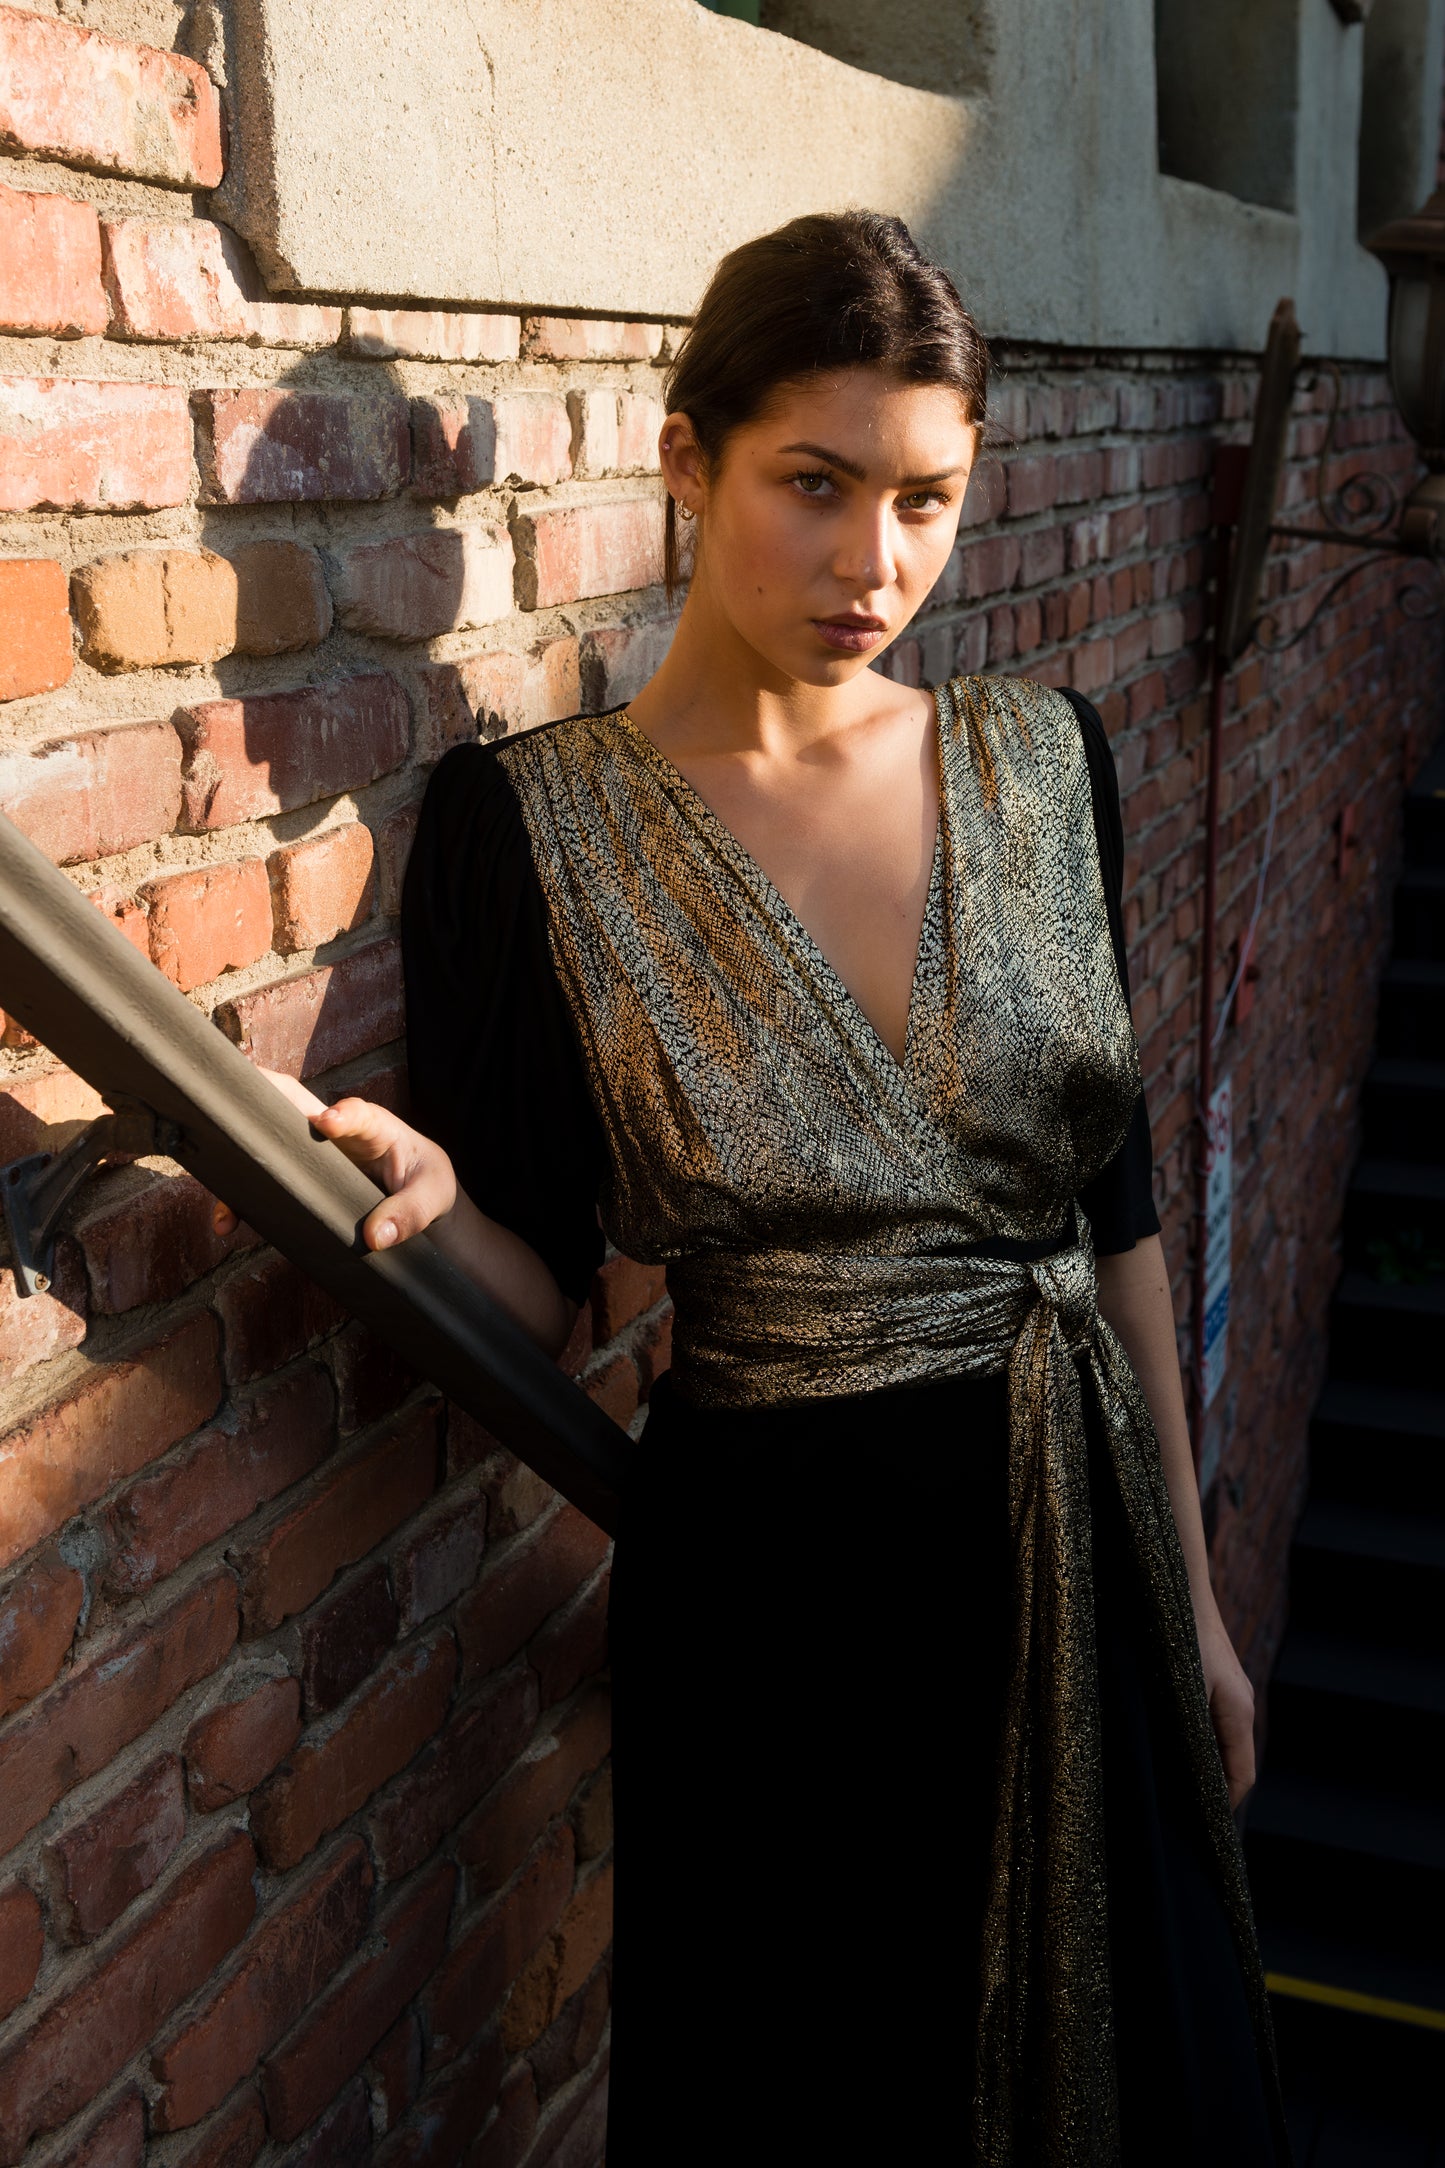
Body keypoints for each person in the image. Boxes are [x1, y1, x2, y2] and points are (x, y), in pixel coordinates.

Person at [221, 213, 1289, 2163]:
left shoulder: (1047, 761)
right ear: (688, 458)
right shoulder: (523, 830)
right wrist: (434, 1193)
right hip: (780, 1621)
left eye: (926, 499)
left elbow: (1113, 1221)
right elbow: (543, 1293)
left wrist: (1196, 1601)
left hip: (1083, 1554)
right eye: (817, 484)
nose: (875, 564)